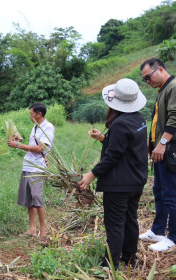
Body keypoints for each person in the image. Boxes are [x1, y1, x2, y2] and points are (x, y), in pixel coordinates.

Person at [78, 78, 148, 269]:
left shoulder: (119, 124)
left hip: (119, 184)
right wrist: (102, 138)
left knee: (115, 224)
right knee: (130, 220)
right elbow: (126, 147)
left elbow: (113, 155)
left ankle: (110, 265)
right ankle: (129, 258)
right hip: (136, 181)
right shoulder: (139, 119)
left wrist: (92, 174)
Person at [138, 58, 176, 252]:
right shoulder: (162, 90)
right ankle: (158, 230)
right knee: (159, 192)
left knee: (170, 194)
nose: (148, 82)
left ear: (159, 69)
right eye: (145, 79)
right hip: (161, 148)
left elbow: (175, 117)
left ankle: (174, 237)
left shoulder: (174, 86)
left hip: (169, 149)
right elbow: (157, 122)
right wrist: (151, 142)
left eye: (148, 77)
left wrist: (162, 143)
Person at [7, 103, 54, 238]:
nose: (30, 116)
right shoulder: (35, 127)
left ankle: (43, 230)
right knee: (29, 199)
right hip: (28, 165)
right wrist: (19, 140)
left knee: (36, 197)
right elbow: (33, 145)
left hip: (38, 168)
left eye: (31, 114)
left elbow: (41, 148)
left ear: (39, 114)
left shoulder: (48, 127)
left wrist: (18, 145)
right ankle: (32, 229)